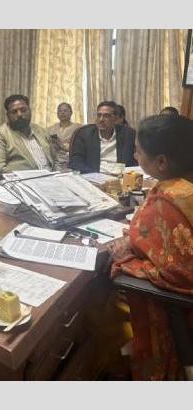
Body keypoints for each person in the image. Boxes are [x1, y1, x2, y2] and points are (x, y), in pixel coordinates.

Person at [107, 114, 193, 380]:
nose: (135, 155)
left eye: (138, 151)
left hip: (179, 312)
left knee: (96, 301)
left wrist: (126, 259)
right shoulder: (183, 186)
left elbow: (180, 273)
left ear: (162, 162)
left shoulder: (168, 201)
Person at [0, 94, 54, 175]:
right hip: (22, 180)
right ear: (7, 115)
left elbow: (55, 160)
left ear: (30, 111)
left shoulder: (41, 130)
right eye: (14, 112)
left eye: (23, 110)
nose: (19, 114)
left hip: (52, 178)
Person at [69, 101, 137, 174]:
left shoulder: (128, 134)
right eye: (99, 115)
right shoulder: (85, 134)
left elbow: (137, 159)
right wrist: (94, 175)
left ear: (115, 118)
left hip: (121, 176)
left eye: (106, 116)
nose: (101, 119)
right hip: (94, 176)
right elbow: (75, 161)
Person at [47, 102, 82, 170]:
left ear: (71, 113)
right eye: (60, 111)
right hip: (54, 161)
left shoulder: (78, 128)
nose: (62, 113)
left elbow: (81, 147)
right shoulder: (50, 129)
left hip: (71, 160)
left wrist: (63, 146)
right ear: (57, 114)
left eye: (65, 111)